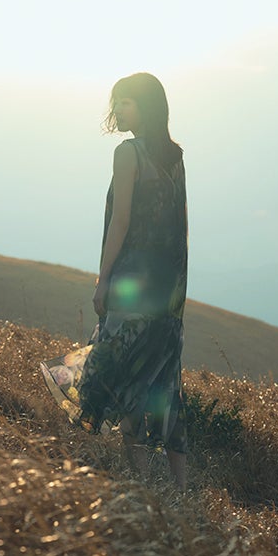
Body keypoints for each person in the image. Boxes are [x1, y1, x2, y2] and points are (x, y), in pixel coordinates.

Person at [78, 72, 189, 491]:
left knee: (124, 379)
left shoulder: (128, 154)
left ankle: (142, 484)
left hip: (132, 286)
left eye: (126, 102)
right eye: (117, 102)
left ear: (146, 106)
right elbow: (182, 227)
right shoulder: (175, 156)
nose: (118, 109)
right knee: (166, 385)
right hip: (167, 291)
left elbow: (120, 220)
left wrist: (103, 279)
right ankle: (179, 488)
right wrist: (178, 294)